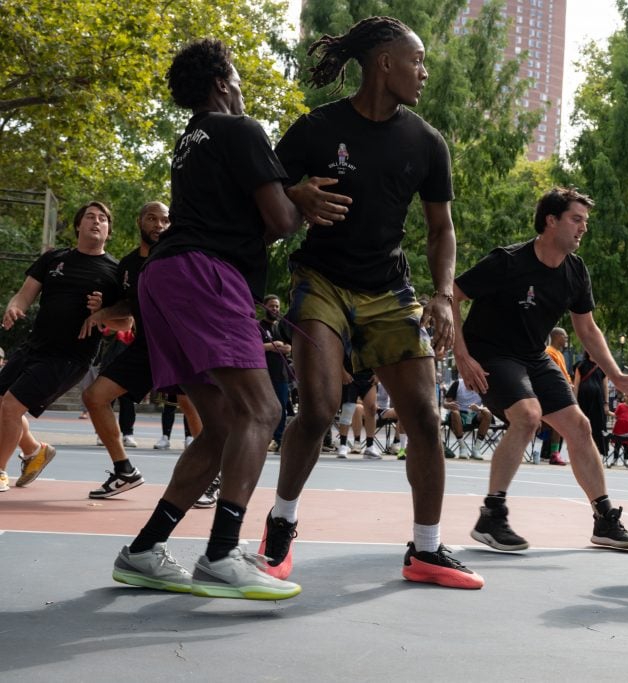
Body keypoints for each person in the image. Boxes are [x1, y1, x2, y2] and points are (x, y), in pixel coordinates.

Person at [264, 16, 483, 590]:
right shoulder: (316, 128)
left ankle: (427, 549)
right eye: (417, 61)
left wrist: (441, 294)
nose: (424, 72)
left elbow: (441, 229)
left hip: (389, 289)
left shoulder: (426, 142)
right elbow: (261, 194)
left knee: (426, 419)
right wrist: (294, 191)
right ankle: (281, 524)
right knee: (315, 410)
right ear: (385, 63)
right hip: (322, 280)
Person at [110, 38, 324, 600]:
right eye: (237, 74)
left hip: (166, 276)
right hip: (207, 273)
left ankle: (143, 551)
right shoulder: (241, 128)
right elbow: (277, 221)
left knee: (225, 423)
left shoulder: (190, 140)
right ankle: (222, 553)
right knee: (264, 408)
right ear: (222, 81)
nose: (243, 84)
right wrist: (299, 198)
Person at [452, 187, 628, 552]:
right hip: (492, 353)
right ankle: (491, 516)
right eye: (576, 220)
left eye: (585, 222)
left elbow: (587, 329)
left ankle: (604, 519)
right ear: (551, 220)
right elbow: (451, 293)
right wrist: (462, 355)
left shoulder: (575, 272)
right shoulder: (508, 261)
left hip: (533, 355)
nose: (583, 229)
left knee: (579, 426)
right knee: (528, 417)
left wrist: (617, 375)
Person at [0, 201, 121, 493]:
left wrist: (104, 311)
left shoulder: (115, 272)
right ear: (78, 225)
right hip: (34, 347)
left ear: (108, 230)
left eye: (102, 219)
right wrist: (14, 308)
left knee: (10, 406)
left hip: (69, 357)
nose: (96, 221)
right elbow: (23, 295)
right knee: (2, 407)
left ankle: (0, 472)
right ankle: (35, 452)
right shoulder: (54, 259)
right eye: (90, 217)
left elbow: (126, 324)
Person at [79, 201, 169, 498]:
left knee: (196, 411)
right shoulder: (128, 265)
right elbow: (127, 312)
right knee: (94, 397)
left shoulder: (176, 255)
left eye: (164, 220)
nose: (158, 225)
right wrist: (101, 313)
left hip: (181, 344)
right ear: (139, 221)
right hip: (145, 346)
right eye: (152, 218)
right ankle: (124, 470)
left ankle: (211, 480)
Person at [260, 294, 292, 452]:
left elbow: (290, 347)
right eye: (272, 306)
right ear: (264, 307)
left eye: (277, 306)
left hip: (281, 374)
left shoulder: (282, 327)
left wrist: (286, 347)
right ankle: (263, 438)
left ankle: (278, 439)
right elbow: (252, 347)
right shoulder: (258, 326)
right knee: (263, 408)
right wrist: (270, 346)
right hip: (263, 374)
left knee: (281, 408)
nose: (275, 309)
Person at [540, 327, 570, 465]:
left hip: (561, 391)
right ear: (557, 336)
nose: (566, 339)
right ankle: (552, 453)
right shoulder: (549, 352)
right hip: (551, 392)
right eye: (565, 336)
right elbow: (553, 373)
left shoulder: (559, 354)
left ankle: (554, 453)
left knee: (558, 425)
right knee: (553, 424)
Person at [573, 350, 612, 457]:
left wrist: (606, 403)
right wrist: (575, 402)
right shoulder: (580, 365)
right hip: (583, 400)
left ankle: (598, 450)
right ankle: (581, 449)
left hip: (598, 401)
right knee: (583, 424)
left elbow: (605, 386)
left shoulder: (603, 367)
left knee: (598, 425)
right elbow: (576, 385)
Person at [444, 376, 491, 460]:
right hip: (458, 414)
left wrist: (479, 408)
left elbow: (488, 407)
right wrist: (448, 405)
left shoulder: (482, 386)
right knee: (455, 412)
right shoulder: (458, 383)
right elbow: (445, 403)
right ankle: (462, 447)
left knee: (487, 413)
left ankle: (476, 449)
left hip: (473, 415)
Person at [609, 393, 628, 467]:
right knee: (617, 445)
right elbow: (616, 415)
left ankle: (626, 459)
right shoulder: (620, 405)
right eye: (627, 396)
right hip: (619, 429)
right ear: (624, 397)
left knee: (627, 445)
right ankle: (615, 459)